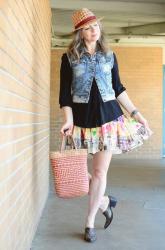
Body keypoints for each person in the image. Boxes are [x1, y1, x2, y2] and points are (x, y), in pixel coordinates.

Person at [58, 8, 153, 243]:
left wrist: (136, 113)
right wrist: (67, 119)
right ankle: (104, 202)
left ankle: (90, 221)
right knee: (79, 172)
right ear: (80, 32)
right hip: (80, 121)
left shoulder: (109, 56)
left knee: (100, 172)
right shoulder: (69, 57)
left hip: (109, 120)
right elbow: (64, 95)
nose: (94, 30)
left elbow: (118, 89)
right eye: (88, 27)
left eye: (96, 26)